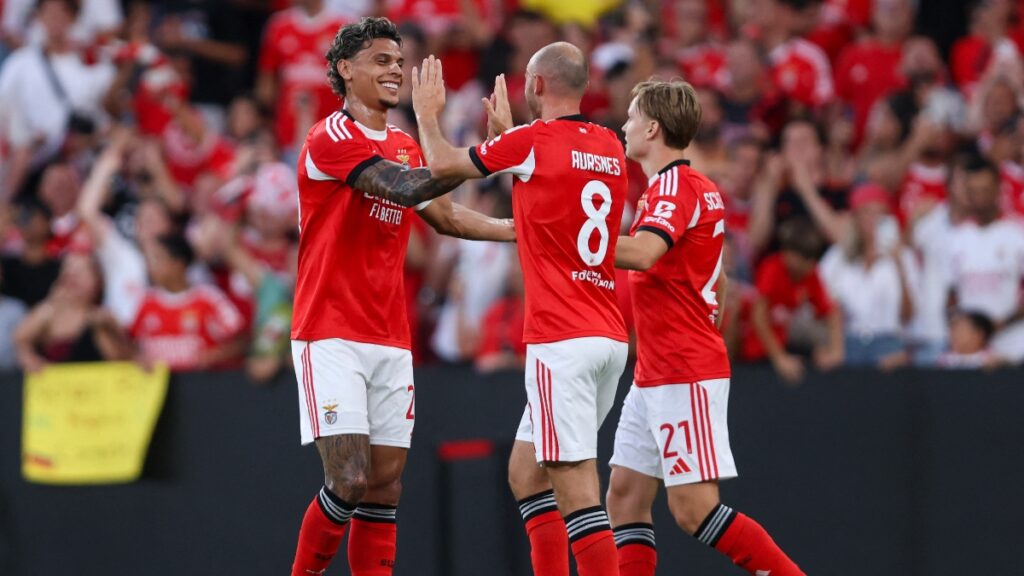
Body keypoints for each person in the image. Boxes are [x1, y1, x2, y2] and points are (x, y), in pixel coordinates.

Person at [287, 17, 515, 576]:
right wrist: (484, 151)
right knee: (348, 479)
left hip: (390, 335)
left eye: (398, 61)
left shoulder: (405, 145)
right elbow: (405, 188)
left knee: (385, 488)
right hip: (331, 332)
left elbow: (447, 217)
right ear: (345, 69)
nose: (395, 70)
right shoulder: (329, 138)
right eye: (381, 60)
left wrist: (519, 231)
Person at [411, 43, 629, 576]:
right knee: (527, 475)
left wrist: (427, 116)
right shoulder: (609, 145)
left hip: (561, 339)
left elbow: (441, 165)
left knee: (576, 489)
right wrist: (506, 145)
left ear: (537, 86)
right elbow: (553, 202)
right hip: (607, 336)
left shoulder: (532, 141)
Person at [605, 79, 804, 576]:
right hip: (656, 370)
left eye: (631, 117)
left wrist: (570, 238)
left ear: (653, 128)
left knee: (693, 510)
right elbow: (715, 279)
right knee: (625, 497)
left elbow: (645, 253)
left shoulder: (676, 188)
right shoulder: (685, 187)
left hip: (682, 368)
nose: (624, 126)